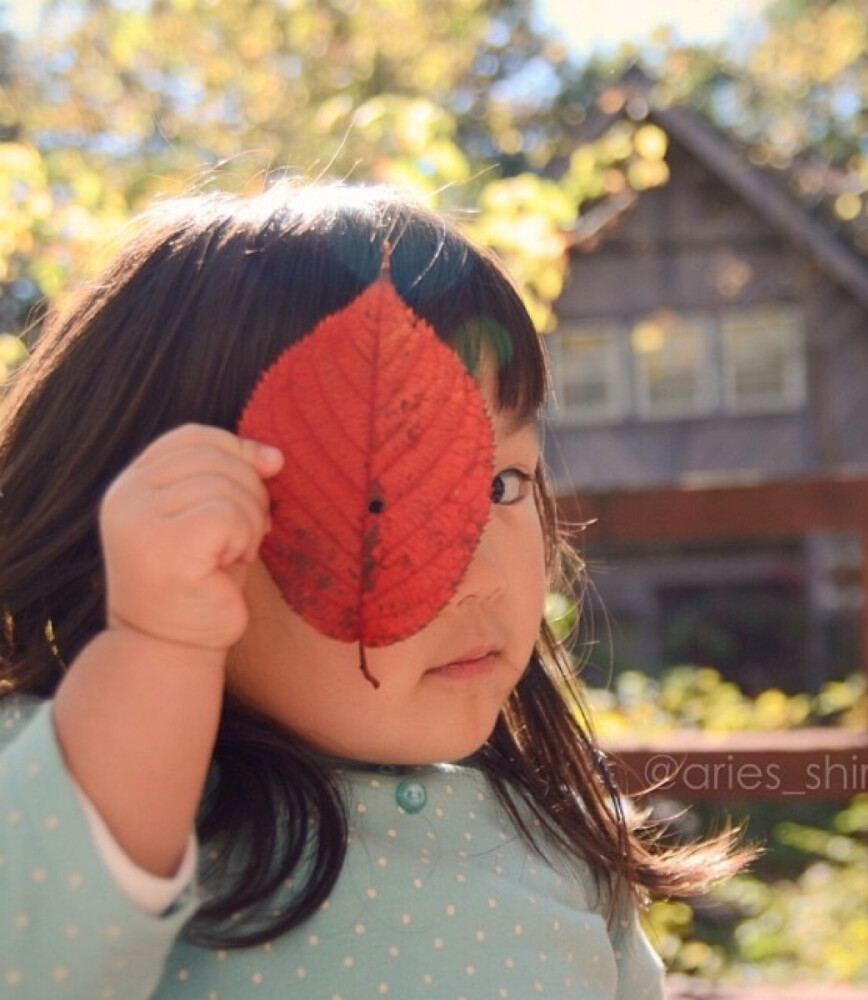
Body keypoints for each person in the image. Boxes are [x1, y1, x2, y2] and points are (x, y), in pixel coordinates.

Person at [0, 184, 742, 998]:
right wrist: (156, 647)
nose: (479, 574)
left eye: (501, 483)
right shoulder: (88, 784)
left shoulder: (555, 839)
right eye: (377, 500)